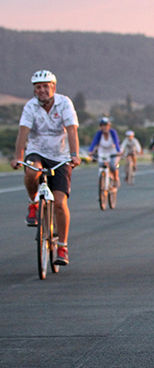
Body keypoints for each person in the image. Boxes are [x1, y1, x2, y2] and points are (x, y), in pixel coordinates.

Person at [11, 70, 81, 265]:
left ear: (53, 87)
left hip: (60, 155)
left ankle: (63, 247)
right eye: (37, 88)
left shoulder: (64, 103)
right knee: (31, 170)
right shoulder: (30, 107)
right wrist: (18, 157)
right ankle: (33, 202)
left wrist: (74, 155)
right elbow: (23, 133)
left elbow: (72, 130)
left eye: (45, 86)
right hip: (37, 151)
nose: (41, 90)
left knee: (60, 203)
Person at [88, 117, 121, 188]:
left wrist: (119, 151)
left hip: (112, 151)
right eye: (102, 126)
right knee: (101, 165)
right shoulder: (99, 134)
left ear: (109, 126)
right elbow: (94, 143)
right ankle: (102, 182)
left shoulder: (112, 133)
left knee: (112, 165)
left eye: (106, 125)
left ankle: (115, 178)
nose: (104, 127)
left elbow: (116, 142)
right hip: (102, 151)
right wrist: (90, 151)